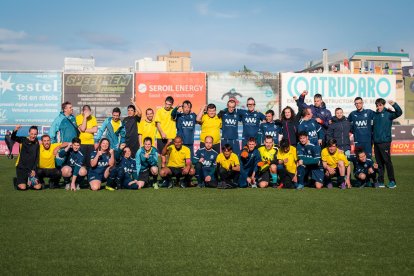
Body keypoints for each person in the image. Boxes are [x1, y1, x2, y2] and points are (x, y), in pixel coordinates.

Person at [372, 98, 402, 188]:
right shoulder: (374, 115)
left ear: (384, 105)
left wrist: (394, 104)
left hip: (385, 142)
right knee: (379, 163)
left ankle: (392, 181)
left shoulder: (388, 113)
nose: (378, 107)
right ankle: (380, 181)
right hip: (376, 143)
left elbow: (399, 113)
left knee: (387, 162)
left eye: (380, 105)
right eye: (377, 105)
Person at [11, 125, 41, 190]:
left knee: (38, 187)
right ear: (28, 133)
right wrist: (15, 130)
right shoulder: (23, 140)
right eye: (32, 134)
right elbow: (13, 137)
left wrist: (34, 169)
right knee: (23, 188)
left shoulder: (37, 142)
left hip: (31, 170)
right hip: (21, 168)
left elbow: (37, 157)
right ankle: (17, 180)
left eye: (35, 134)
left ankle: (28, 181)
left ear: (37, 134)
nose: (33, 136)